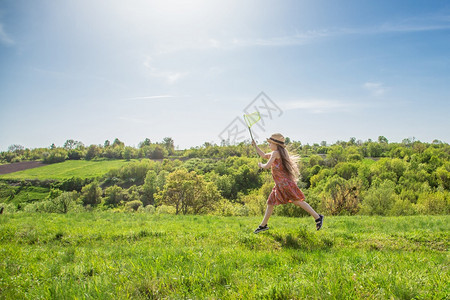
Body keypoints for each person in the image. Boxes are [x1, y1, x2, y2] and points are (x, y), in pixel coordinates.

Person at [252, 133, 323, 233]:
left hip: (284, 184)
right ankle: (263, 225)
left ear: (276, 144)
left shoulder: (275, 153)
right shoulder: (277, 153)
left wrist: (261, 166)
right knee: (270, 202)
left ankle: (317, 217)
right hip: (280, 184)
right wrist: (255, 146)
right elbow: (263, 155)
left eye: (270, 143)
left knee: (297, 201)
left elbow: (267, 166)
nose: (269, 145)